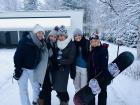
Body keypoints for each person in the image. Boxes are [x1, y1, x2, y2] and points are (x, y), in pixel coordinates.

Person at [13, 24, 46, 105]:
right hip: (23, 69)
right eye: (39, 32)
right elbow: (17, 56)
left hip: (33, 69)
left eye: (42, 33)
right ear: (35, 33)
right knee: (23, 89)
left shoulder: (41, 43)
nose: (40, 35)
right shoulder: (24, 41)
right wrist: (17, 69)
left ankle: (35, 102)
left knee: (36, 88)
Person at [53, 25, 76, 105]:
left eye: (62, 35)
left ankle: (64, 101)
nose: (60, 37)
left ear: (65, 35)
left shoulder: (71, 44)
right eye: (59, 35)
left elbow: (71, 59)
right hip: (56, 68)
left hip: (64, 69)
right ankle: (62, 100)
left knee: (62, 87)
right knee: (56, 87)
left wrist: (60, 61)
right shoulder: (57, 43)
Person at [88, 33, 112, 105]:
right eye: (92, 41)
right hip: (93, 76)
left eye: (96, 41)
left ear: (99, 41)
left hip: (102, 76)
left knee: (102, 94)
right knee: (92, 94)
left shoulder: (103, 50)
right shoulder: (92, 50)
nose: (94, 43)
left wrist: (106, 77)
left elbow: (104, 65)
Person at [38, 26, 59, 105]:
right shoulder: (46, 44)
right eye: (51, 36)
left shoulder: (55, 45)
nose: (53, 38)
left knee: (47, 89)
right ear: (49, 36)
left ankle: (40, 100)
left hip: (50, 70)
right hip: (45, 70)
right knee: (47, 89)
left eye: (55, 37)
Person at [73, 28, 89, 92]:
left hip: (84, 68)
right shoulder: (73, 44)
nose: (77, 37)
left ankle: (83, 98)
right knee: (76, 85)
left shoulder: (87, 42)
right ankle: (78, 97)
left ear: (81, 35)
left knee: (83, 86)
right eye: (75, 36)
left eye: (79, 35)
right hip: (76, 67)